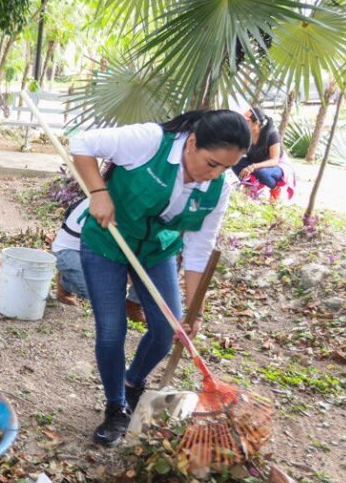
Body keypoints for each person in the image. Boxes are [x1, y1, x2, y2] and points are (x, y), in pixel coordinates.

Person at [71, 110, 250, 447]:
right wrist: (98, 192)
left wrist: (195, 310)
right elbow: (81, 142)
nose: (214, 175)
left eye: (225, 168)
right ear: (192, 143)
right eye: (212, 163)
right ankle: (115, 408)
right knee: (111, 330)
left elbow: (199, 249)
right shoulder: (151, 141)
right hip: (108, 240)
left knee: (167, 329)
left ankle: (132, 384)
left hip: (156, 250)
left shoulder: (219, 187)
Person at [232, 106, 284, 196]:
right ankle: (248, 185)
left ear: (256, 123)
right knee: (234, 161)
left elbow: (274, 160)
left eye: (246, 121)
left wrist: (253, 166)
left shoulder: (272, 134)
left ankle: (275, 188)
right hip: (254, 163)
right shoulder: (245, 134)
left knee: (260, 172)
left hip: (274, 167)